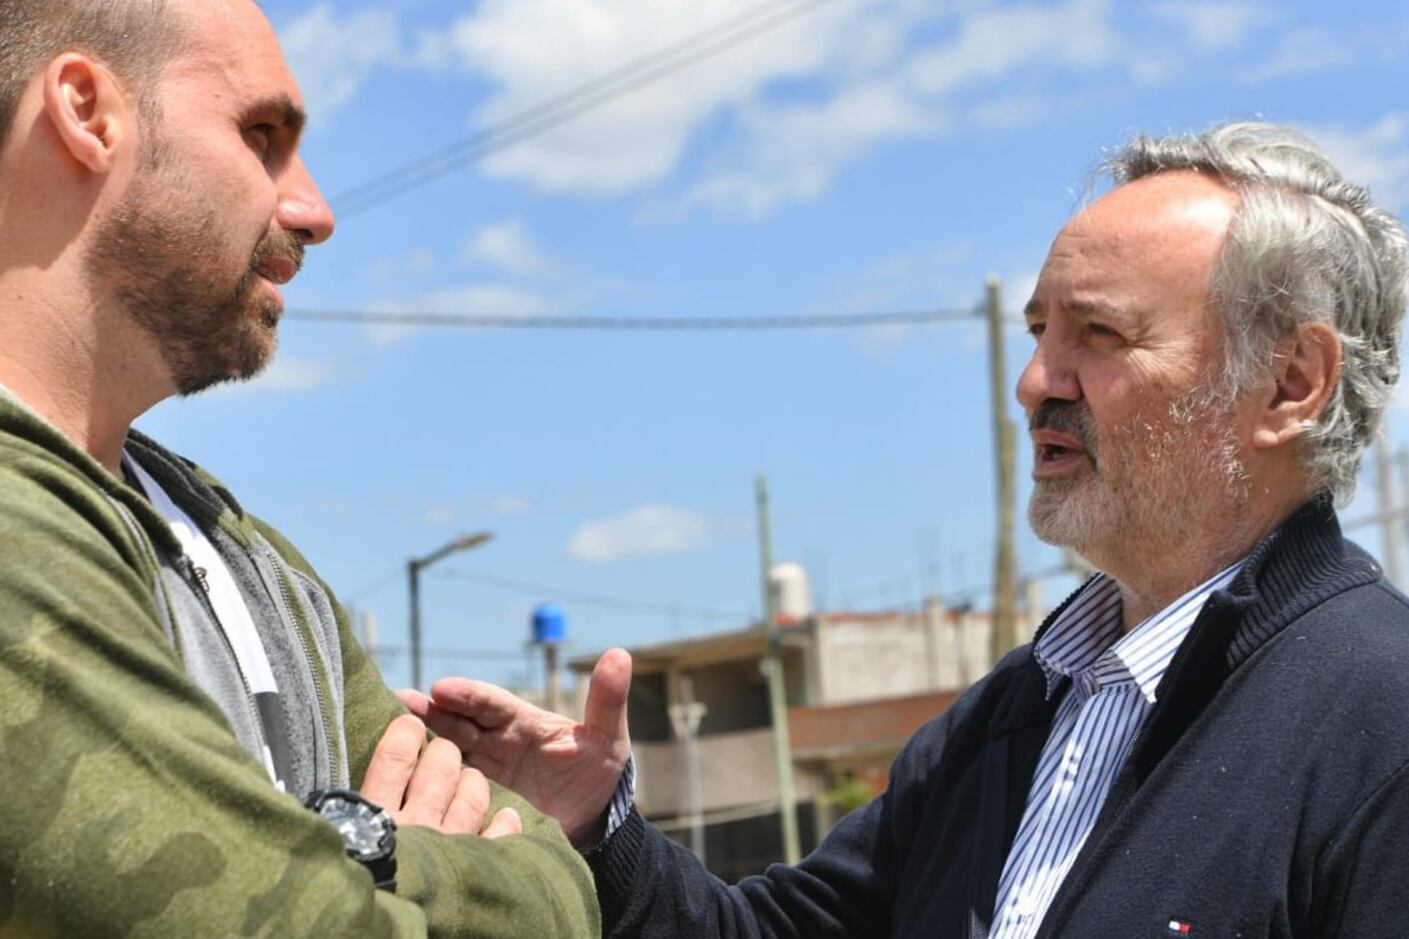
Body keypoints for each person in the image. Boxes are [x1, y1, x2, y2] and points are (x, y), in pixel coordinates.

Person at [404, 121, 1409, 937]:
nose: (1033, 383)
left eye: (1098, 334)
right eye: (1038, 333)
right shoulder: (1011, 717)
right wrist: (595, 825)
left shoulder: (1378, 715)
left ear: (1290, 383)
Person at [0, 1, 598, 935]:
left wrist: (367, 867)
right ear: (86, 110)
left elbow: (564, 888)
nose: (314, 213)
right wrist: (402, 856)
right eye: (261, 137)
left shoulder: (241, 549)